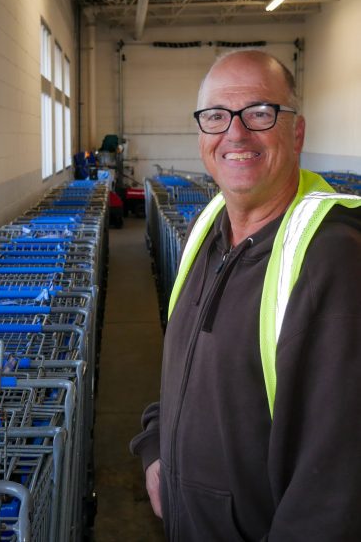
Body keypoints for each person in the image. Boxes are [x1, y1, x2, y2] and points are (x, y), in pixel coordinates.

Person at [130, 49, 361, 541]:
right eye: (216, 116)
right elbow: (188, 370)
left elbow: (337, 483)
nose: (235, 133)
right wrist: (157, 449)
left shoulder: (331, 259)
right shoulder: (208, 231)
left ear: (296, 133)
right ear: (201, 136)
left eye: (259, 113)